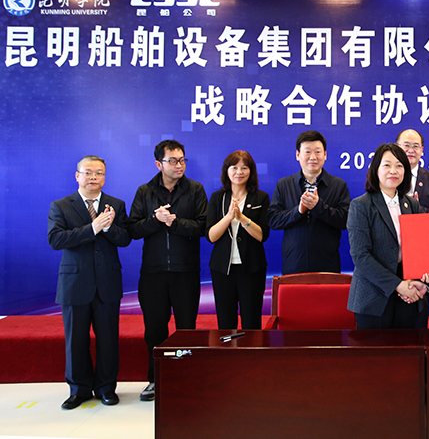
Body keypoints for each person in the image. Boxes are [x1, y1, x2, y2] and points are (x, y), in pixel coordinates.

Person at [47, 156, 131, 410]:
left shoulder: (116, 204)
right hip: (75, 283)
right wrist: (92, 228)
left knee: (108, 339)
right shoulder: (61, 205)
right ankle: (79, 389)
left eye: (99, 173)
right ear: (77, 176)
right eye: (88, 172)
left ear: (105, 177)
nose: (93, 177)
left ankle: (106, 388)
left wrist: (108, 228)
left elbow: (125, 238)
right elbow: (56, 240)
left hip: (107, 283)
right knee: (76, 340)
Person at [128, 140, 207, 402]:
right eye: (172, 161)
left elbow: (203, 227)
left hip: (186, 271)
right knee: (154, 330)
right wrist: (155, 220)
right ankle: (156, 379)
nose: (178, 165)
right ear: (158, 164)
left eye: (182, 160)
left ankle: (187, 376)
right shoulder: (145, 191)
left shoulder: (195, 189)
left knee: (186, 329)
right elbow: (133, 229)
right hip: (153, 272)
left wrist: (175, 223)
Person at [347, 143, 429, 328]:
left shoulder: (412, 205)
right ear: (376, 169)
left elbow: (417, 248)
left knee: (409, 345)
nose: (393, 171)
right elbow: (360, 256)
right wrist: (397, 284)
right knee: (376, 347)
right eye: (387, 165)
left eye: (399, 165)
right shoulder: (361, 205)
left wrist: (423, 274)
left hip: (409, 291)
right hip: (373, 294)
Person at [267, 131, 350, 274]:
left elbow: (345, 221)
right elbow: (273, 220)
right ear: (297, 155)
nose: (313, 157)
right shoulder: (284, 184)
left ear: (325, 155)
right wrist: (298, 211)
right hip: (293, 264)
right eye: (307, 152)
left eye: (317, 152)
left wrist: (319, 207)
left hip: (327, 265)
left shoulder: (338, 185)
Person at [206, 151, 270, 330]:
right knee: (226, 321)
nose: (239, 172)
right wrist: (228, 217)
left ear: (251, 171)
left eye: (244, 168)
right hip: (222, 268)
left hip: (252, 268)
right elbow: (211, 236)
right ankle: (228, 349)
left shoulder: (261, 197)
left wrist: (242, 218)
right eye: (234, 168)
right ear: (227, 171)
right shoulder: (217, 198)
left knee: (251, 321)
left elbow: (262, 235)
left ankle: (252, 350)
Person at [396, 129, 429, 213]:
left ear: (422, 150)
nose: (411, 150)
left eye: (415, 146)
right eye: (406, 145)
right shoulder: (388, 176)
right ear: (397, 147)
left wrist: (416, 207)